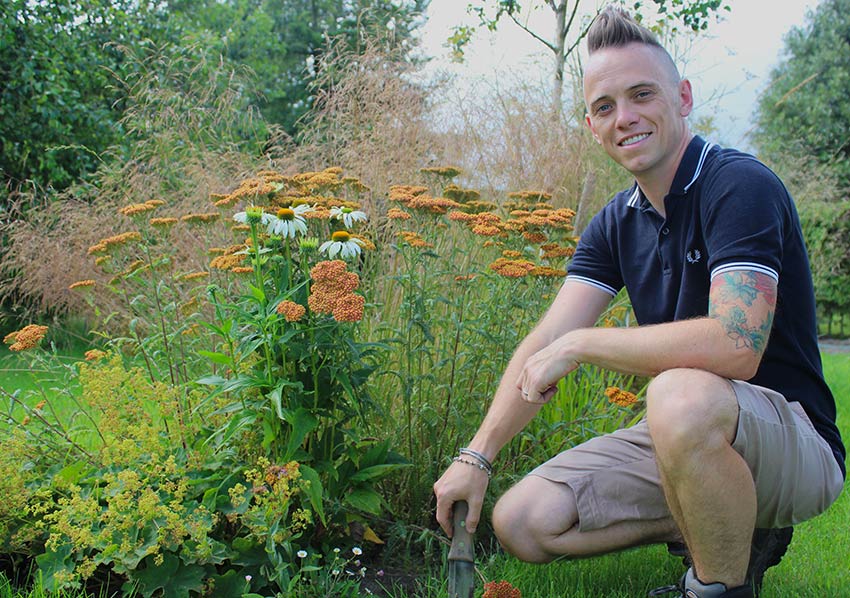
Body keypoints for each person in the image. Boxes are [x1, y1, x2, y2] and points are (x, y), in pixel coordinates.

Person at [432, 6, 845, 598]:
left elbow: (736, 345)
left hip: (794, 440)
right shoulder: (615, 222)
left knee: (676, 391)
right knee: (522, 521)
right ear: (591, 124)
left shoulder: (739, 185)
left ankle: (716, 588)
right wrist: (477, 455)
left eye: (641, 94)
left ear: (682, 96)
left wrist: (582, 346)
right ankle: (735, 522)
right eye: (605, 107)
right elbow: (547, 339)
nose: (624, 118)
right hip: (696, 430)